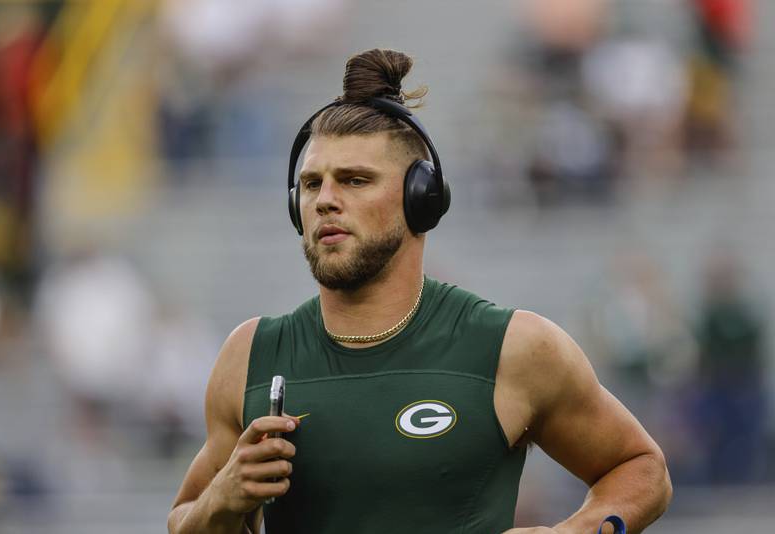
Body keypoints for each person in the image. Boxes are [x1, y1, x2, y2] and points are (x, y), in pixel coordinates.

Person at [167, 49, 671, 534]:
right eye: (313, 184)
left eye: (355, 180)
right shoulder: (250, 355)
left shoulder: (511, 348)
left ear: (420, 199)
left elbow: (641, 467)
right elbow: (184, 517)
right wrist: (222, 498)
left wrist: (579, 531)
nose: (325, 201)